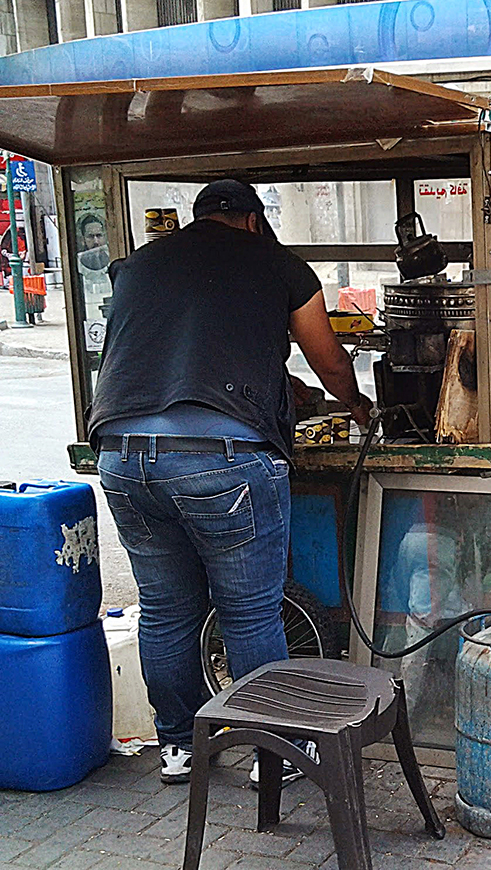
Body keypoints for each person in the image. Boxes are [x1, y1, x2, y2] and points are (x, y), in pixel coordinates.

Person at [88, 179, 372, 785]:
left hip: (123, 456)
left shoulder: (137, 266)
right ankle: (276, 751)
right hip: (223, 459)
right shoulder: (277, 265)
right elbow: (327, 359)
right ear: (251, 220)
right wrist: (357, 408)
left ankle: (179, 748)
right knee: (249, 614)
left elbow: (165, 354)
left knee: (165, 611)